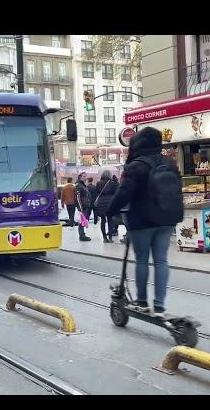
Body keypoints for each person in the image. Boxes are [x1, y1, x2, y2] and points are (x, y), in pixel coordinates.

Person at [107, 127, 183, 316]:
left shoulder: (136, 165)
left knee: (141, 259)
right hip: (167, 219)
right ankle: (159, 305)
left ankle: (142, 302)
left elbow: (124, 193)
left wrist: (110, 211)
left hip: (142, 221)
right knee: (161, 260)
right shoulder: (170, 164)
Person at [94, 170, 119, 243]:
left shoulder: (98, 183)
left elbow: (97, 192)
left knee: (103, 220)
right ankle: (110, 237)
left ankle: (104, 238)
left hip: (101, 203)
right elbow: (116, 192)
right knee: (110, 220)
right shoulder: (112, 183)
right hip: (109, 202)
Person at [75, 172, 92, 241]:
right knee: (81, 221)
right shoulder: (79, 186)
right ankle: (82, 236)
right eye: (84, 176)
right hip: (82, 207)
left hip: (85, 206)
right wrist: (80, 208)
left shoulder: (83, 185)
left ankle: (82, 234)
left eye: (86, 176)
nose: (85, 178)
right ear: (80, 177)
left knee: (83, 221)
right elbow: (78, 197)